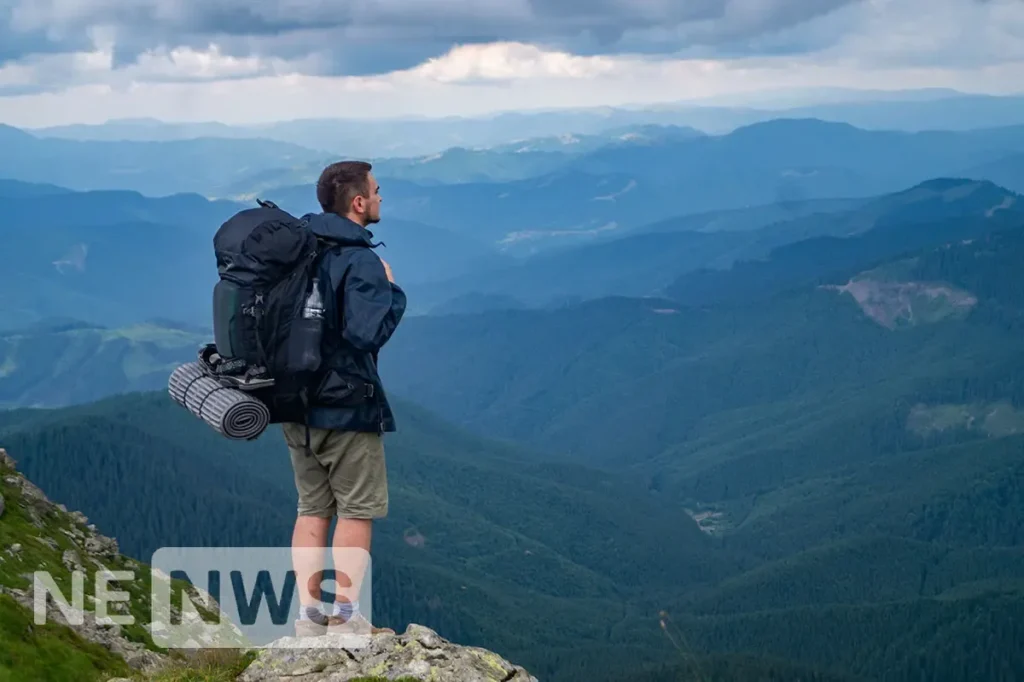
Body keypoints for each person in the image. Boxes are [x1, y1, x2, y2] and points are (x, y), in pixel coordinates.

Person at [282, 160, 406, 638]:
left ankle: (310, 619)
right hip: (346, 405)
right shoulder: (360, 259)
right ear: (358, 202)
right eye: (375, 192)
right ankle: (347, 621)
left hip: (293, 402)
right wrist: (391, 291)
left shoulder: (297, 250)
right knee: (357, 509)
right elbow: (364, 334)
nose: (379, 198)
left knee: (311, 507)